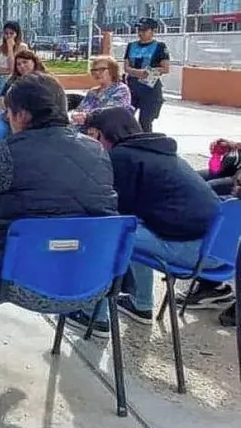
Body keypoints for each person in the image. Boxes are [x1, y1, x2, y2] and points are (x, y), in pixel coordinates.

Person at [0, 73, 118, 324]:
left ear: (22, 115)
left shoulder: (7, 151)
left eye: (9, 113)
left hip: (19, 281)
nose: (7, 119)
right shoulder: (97, 150)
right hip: (93, 281)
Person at [76, 107, 220, 336]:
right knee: (132, 230)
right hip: (220, 249)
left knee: (105, 235)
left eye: (93, 135)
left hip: (193, 250)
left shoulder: (121, 157)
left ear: (104, 133)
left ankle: (93, 316)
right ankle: (141, 304)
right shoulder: (158, 151)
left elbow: (111, 214)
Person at [0, 49, 46, 145]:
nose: (22, 66)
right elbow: (1, 97)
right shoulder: (13, 80)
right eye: (18, 64)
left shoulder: (45, 80)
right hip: (12, 114)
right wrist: (9, 109)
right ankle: (1, 151)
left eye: (25, 62)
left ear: (34, 62)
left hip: (36, 117)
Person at [123, 17, 170, 133]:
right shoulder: (131, 46)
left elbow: (165, 68)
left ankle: (146, 141)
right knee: (125, 118)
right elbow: (126, 67)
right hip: (132, 87)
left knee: (145, 121)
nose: (141, 33)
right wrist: (137, 72)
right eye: (139, 30)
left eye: (144, 30)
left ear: (153, 31)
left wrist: (148, 71)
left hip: (150, 88)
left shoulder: (160, 46)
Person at [69, 56, 133, 129]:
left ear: (113, 70)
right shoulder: (92, 92)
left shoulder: (121, 89)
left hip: (105, 131)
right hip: (82, 129)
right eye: (94, 70)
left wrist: (86, 117)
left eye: (101, 69)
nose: (97, 73)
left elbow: (111, 114)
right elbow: (79, 110)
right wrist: (75, 114)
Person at [0, 22, 29, 118]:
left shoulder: (23, 47)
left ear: (17, 34)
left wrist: (10, 48)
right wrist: (7, 70)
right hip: (0, 84)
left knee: (15, 115)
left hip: (15, 83)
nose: (8, 36)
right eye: (6, 33)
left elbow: (12, 67)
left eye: (11, 33)